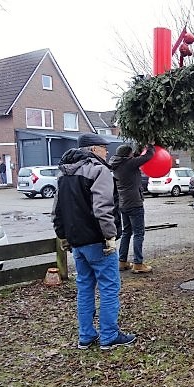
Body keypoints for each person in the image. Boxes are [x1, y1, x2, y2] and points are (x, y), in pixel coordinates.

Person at [52, 133, 136, 350]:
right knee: (109, 288)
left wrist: (63, 236)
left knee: (85, 288)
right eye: (103, 148)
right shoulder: (99, 171)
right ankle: (109, 336)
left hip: (77, 243)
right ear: (93, 150)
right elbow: (102, 208)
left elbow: (57, 211)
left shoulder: (63, 174)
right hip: (98, 242)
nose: (106, 152)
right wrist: (110, 237)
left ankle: (86, 335)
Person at [109, 143, 155, 273]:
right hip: (134, 203)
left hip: (123, 203)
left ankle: (122, 261)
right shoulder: (129, 164)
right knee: (138, 233)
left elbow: (135, 157)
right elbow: (148, 156)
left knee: (127, 232)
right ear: (127, 155)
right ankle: (138, 264)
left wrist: (139, 149)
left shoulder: (117, 164)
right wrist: (150, 146)